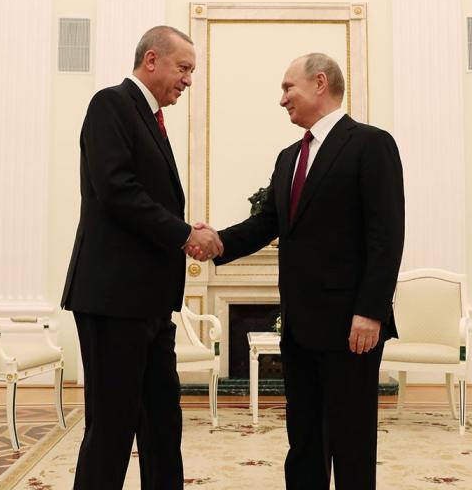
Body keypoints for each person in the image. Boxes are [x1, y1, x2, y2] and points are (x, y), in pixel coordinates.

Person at [193, 53, 404, 489]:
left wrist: (371, 311)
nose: (282, 99)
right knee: (303, 438)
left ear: (320, 82)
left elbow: (386, 236)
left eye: (288, 88)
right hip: (300, 326)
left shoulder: (370, 144)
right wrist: (216, 242)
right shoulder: (289, 156)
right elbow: (266, 223)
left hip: (353, 326)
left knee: (351, 439)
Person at [61, 25, 222, 489]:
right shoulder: (111, 104)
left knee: (162, 425)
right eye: (184, 68)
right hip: (113, 300)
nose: (189, 80)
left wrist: (183, 232)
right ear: (152, 60)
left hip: (149, 304)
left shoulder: (149, 117)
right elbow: (117, 190)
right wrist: (184, 234)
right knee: (112, 429)